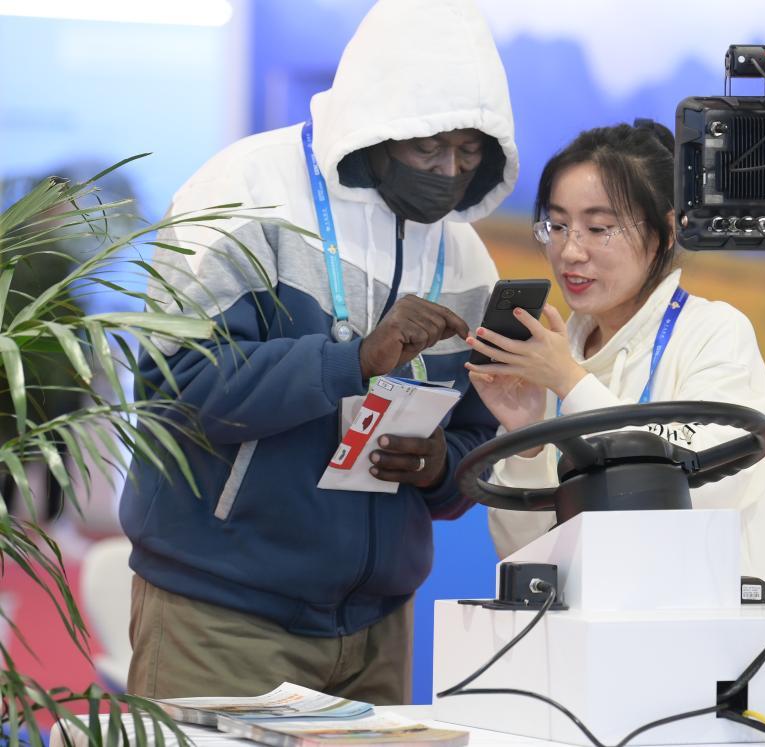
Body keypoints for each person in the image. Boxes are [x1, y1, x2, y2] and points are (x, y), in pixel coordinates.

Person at [119, 0, 517, 704]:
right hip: (221, 617)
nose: (449, 171)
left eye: (469, 152)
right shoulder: (242, 192)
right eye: (429, 147)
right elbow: (178, 390)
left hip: (378, 629)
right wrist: (352, 361)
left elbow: (475, 438)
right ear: (378, 124)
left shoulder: (466, 258)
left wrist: (438, 468)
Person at [466, 121, 765, 593]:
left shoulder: (715, 332)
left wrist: (571, 384)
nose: (570, 251)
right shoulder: (553, 355)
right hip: (580, 628)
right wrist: (526, 439)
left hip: (701, 621)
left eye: (598, 229)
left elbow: (707, 491)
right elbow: (523, 557)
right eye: (557, 226)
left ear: (665, 232)